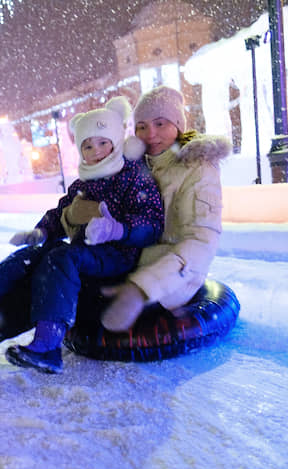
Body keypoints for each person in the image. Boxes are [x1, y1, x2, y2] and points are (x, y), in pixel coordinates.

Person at [0, 97, 164, 373]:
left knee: (48, 271)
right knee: (29, 259)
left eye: (103, 143)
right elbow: (62, 211)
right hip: (86, 254)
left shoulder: (133, 176)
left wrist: (119, 229)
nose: (96, 151)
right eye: (88, 145)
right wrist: (42, 231)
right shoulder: (86, 180)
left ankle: (39, 346)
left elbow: (153, 223)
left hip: (117, 257)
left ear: (118, 141)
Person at [99, 86, 231, 331]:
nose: (150, 134)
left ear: (178, 125)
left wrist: (142, 287)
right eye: (142, 126)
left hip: (174, 277)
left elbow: (201, 242)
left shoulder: (198, 168)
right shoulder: (133, 168)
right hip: (131, 263)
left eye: (160, 124)